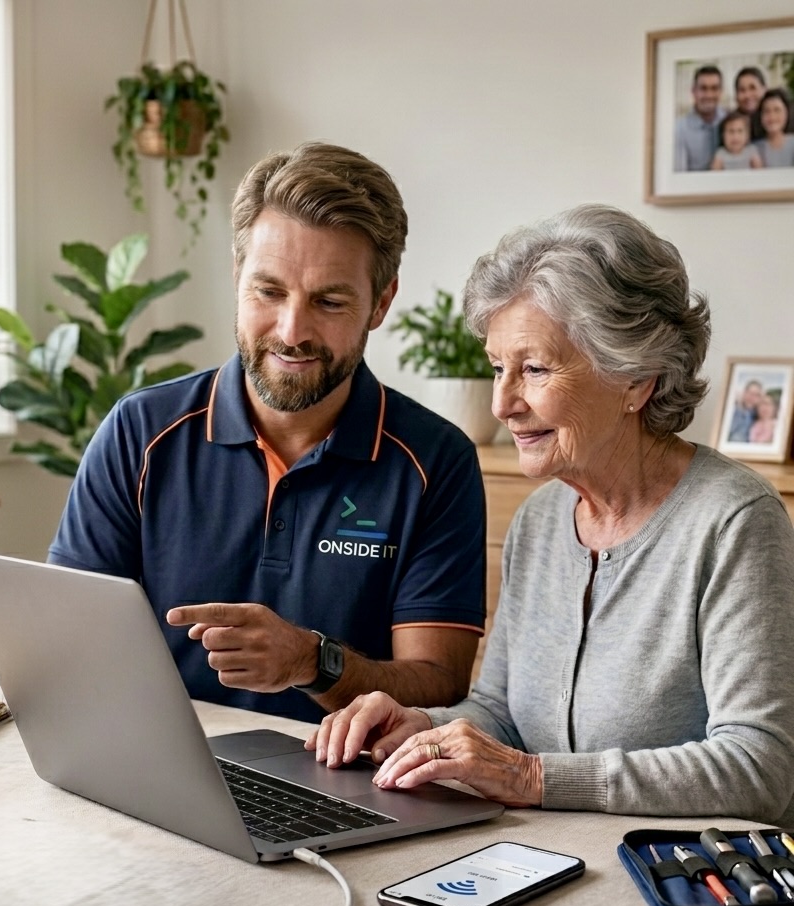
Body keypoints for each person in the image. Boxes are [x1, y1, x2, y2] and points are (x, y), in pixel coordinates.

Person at [311, 203, 794, 827]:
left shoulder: (734, 523)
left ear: (636, 379)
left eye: (534, 369)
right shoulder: (541, 520)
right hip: (548, 856)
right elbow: (502, 712)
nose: (504, 402)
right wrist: (423, 727)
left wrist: (531, 777)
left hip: (689, 881)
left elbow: (759, 768)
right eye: (497, 367)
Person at [48, 142, 487, 723]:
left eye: (329, 301)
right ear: (237, 277)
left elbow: (439, 687)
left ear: (381, 303)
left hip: (342, 784)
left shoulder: (437, 461)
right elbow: (65, 641)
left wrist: (313, 661)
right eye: (269, 291)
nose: (292, 330)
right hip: (160, 769)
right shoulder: (140, 432)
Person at [674, 65, 726, 172]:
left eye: (714, 88)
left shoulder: (730, 121)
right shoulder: (679, 129)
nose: (709, 95)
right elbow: (679, 176)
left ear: (721, 92)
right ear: (693, 91)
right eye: (703, 88)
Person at [756, 88, 794, 168]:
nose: (772, 117)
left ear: (787, 112)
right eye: (767, 111)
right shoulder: (754, 149)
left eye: (777, 110)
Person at [733, 66, 767, 140]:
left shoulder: (778, 120)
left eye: (752, 88)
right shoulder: (731, 125)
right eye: (742, 90)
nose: (747, 95)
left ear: (764, 89)